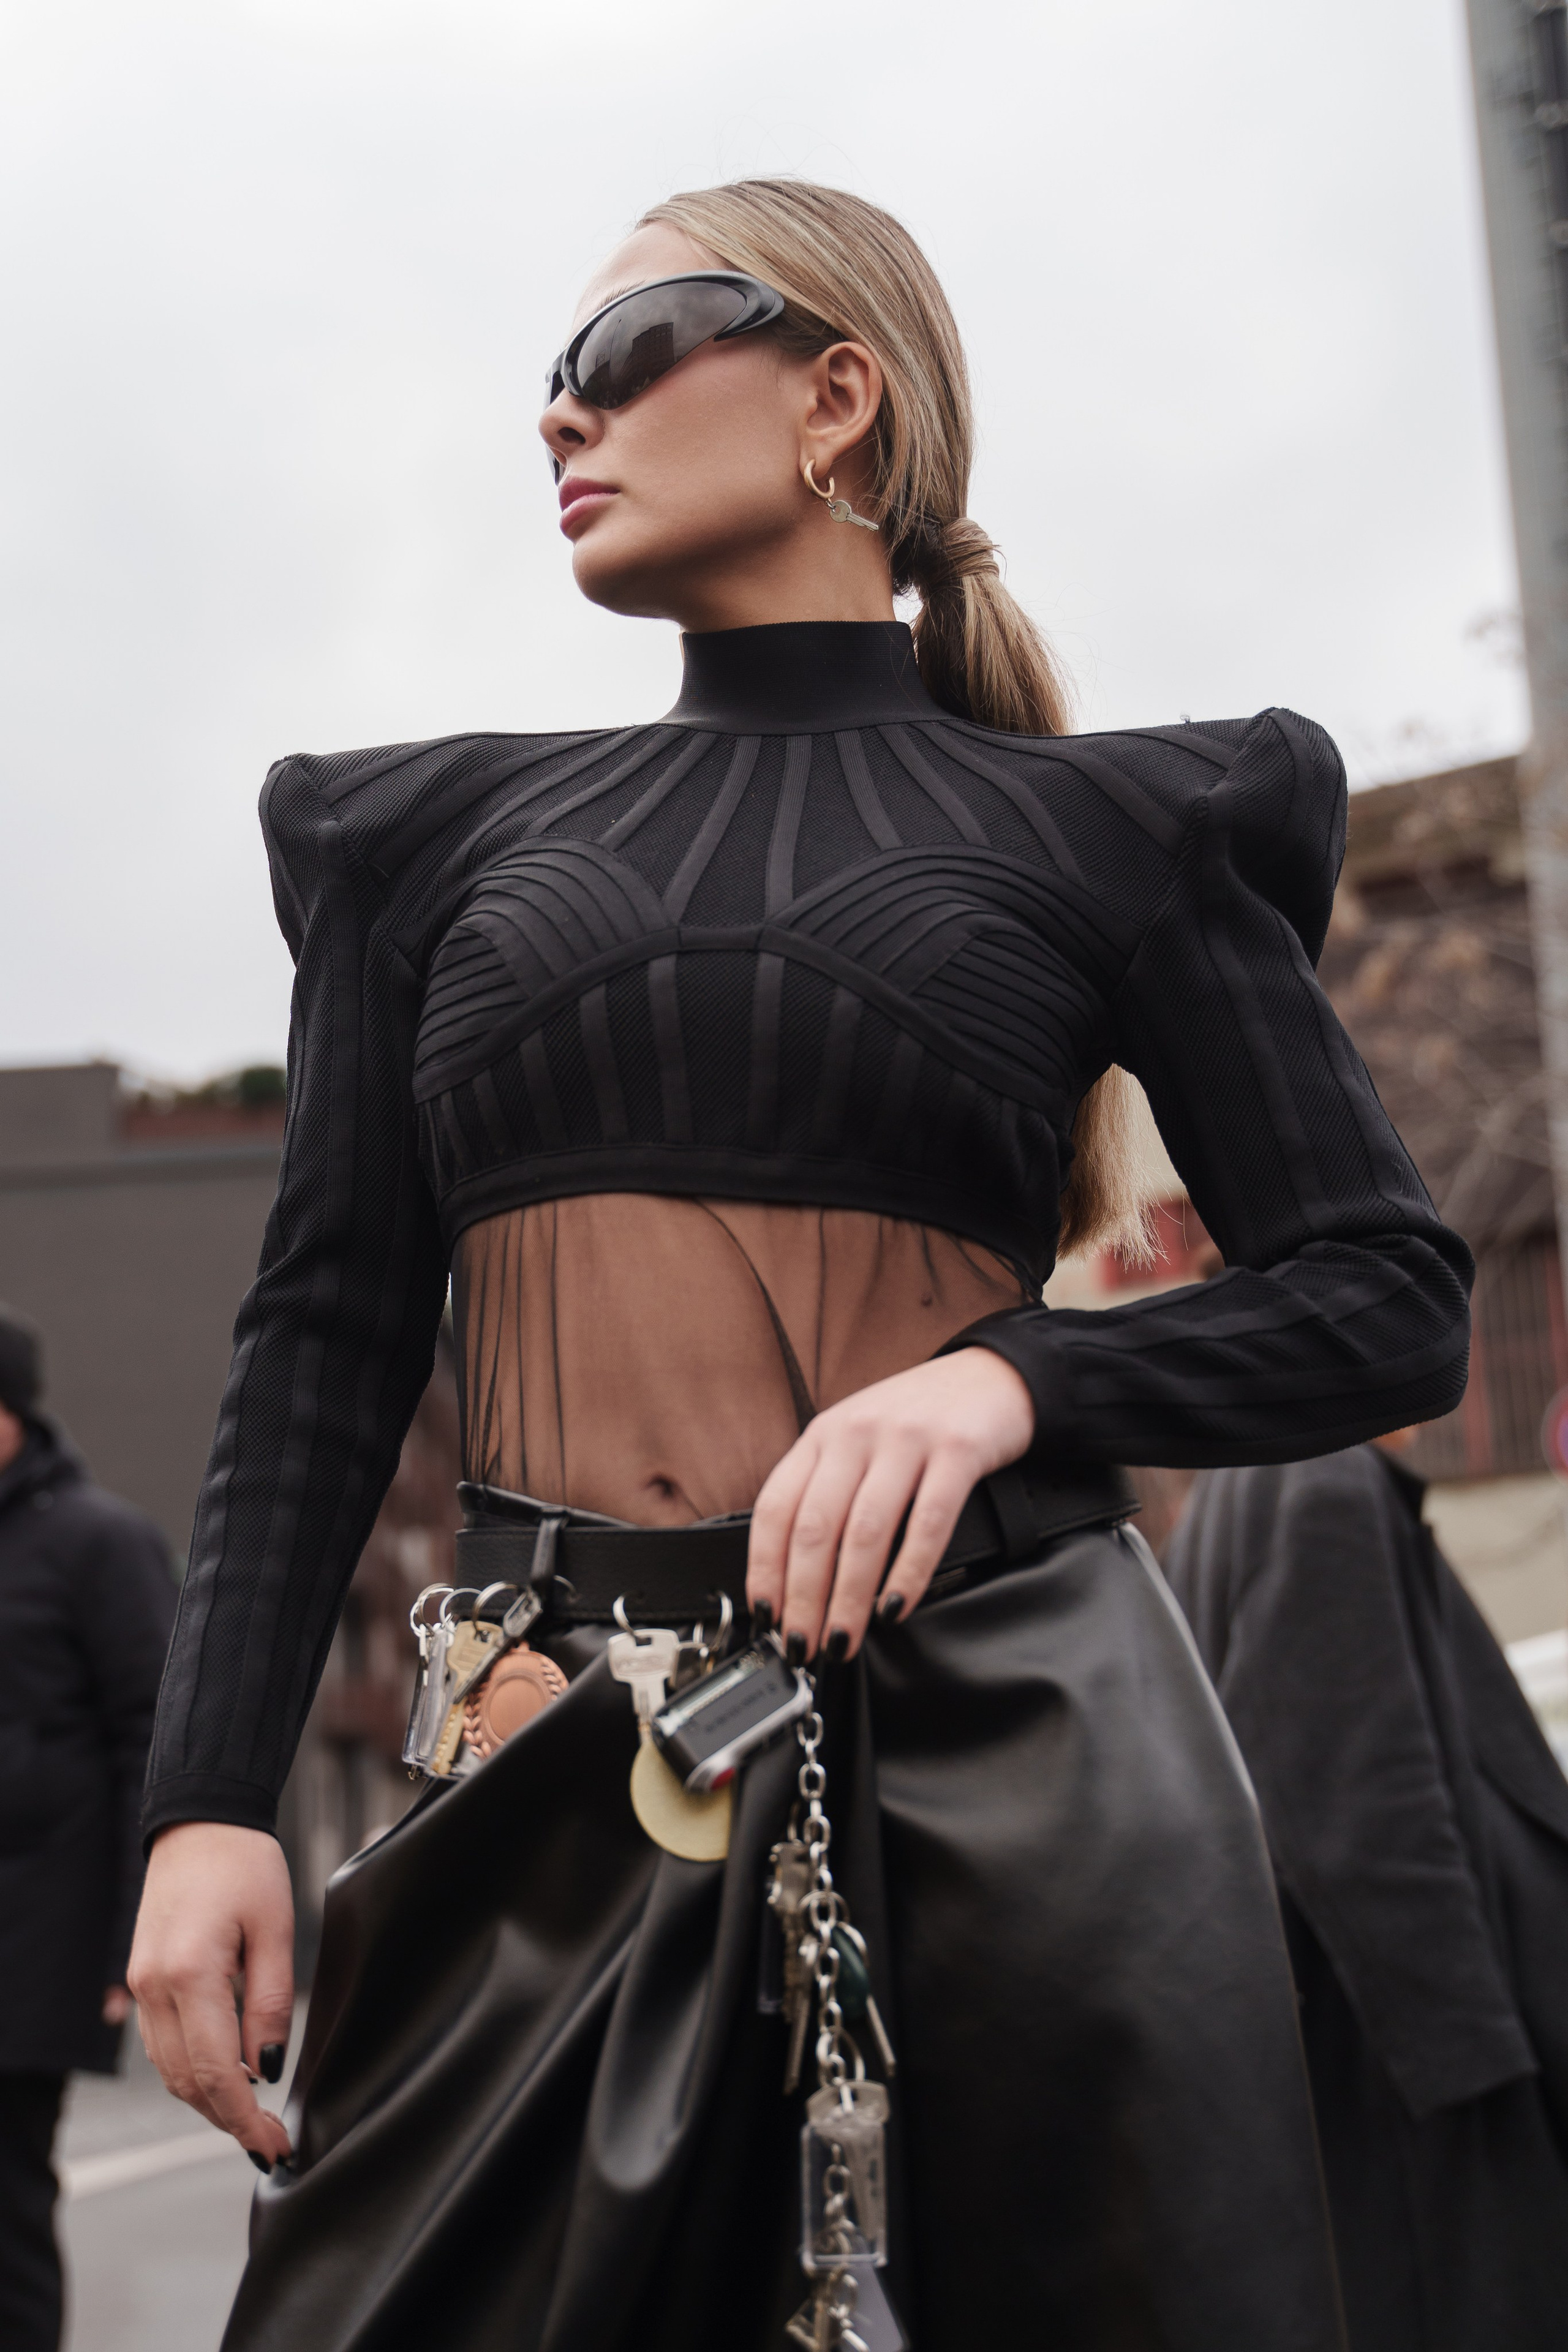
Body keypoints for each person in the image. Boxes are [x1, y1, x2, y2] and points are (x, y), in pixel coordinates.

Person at [127, 180, 1473, 2351]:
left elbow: (1390, 1292)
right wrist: (206, 1807)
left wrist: (1016, 1375)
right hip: (553, 1762)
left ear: (838, 394)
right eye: (546, 376)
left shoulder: (1118, 830)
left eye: (628, 345)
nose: (561, 409)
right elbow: (323, 1345)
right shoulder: (422, 842)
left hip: (1026, 1765)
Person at [1164, 1428, 1568, 2352]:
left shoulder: (1245, 1478)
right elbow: (1359, 1805)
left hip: (1366, 2051)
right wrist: (1479, 2072)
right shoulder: (1317, 1475)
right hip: (1425, 2079)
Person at [0, 1305, 176, 2352]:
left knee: (9, 2199)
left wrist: (130, 1936)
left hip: (38, 1940)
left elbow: (154, 1738)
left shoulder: (98, 1542)